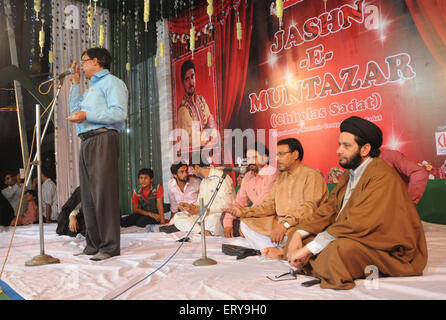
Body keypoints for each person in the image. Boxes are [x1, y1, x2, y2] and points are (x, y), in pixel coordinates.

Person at [265, 116, 428, 290]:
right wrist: (298, 233)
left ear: (365, 149)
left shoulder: (382, 176)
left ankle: (310, 261)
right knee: (299, 237)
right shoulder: (349, 174)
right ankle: (312, 260)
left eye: (346, 146)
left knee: (337, 251)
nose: (339, 150)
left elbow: (360, 223)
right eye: (339, 144)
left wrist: (309, 249)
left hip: (386, 246)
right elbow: (328, 210)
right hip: (352, 233)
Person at [68, 47, 128, 261]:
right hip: (87, 140)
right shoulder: (91, 88)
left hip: (104, 137)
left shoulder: (112, 82)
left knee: (104, 193)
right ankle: (93, 244)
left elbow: (119, 113)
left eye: (84, 61)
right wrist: (75, 84)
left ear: (96, 61)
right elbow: (77, 111)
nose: (82, 66)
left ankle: (110, 246)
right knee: (88, 195)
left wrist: (88, 114)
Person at [225, 138, 328, 251]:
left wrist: (285, 225)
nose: (277, 159)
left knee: (295, 234)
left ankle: (277, 248)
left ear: (295, 154)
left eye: (281, 154)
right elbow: (268, 205)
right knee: (245, 223)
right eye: (276, 155)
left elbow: (309, 208)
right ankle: (277, 248)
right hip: (280, 224)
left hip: (302, 225)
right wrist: (244, 212)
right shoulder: (282, 178)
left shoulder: (311, 176)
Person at [221, 142, 280, 238]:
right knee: (225, 217)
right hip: (253, 216)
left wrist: (246, 222)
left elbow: (262, 204)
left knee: (245, 224)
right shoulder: (248, 176)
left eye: (254, 157)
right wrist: (228, 223)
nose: (250, 162)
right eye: (248, 158)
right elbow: (239, 202)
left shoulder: (272, 173)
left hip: (270, 216)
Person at [174, 155, 235, 236]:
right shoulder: (203, 182)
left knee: (212, 220)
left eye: (192, 170)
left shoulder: (222, 178)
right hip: (204, 216)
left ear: (197, 167)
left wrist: (205, 209)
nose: (193, 173)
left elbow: (227, 207)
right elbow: (200, 204)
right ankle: (202, 231)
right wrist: (191, 208)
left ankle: (202, 231)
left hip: (218, 216)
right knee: (178, 217)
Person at [176, 59, 217, 148]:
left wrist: (208, 131)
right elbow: (194, 140)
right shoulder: (183, 110)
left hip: (208, 153)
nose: (191, 82)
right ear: (183, 83)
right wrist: (209, 129)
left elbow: (214, 128)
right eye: (187, 79)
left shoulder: (201, 100)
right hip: (193, 159)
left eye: (192, 77)